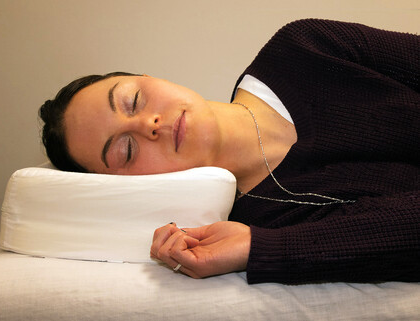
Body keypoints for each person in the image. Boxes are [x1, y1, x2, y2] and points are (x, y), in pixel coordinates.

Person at [39, 19, 419, 284]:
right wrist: (260, 248)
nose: (148, 125)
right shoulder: (250, 224)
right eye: (125, 149)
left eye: (133, 100)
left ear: (147, 77)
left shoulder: (302, 48)